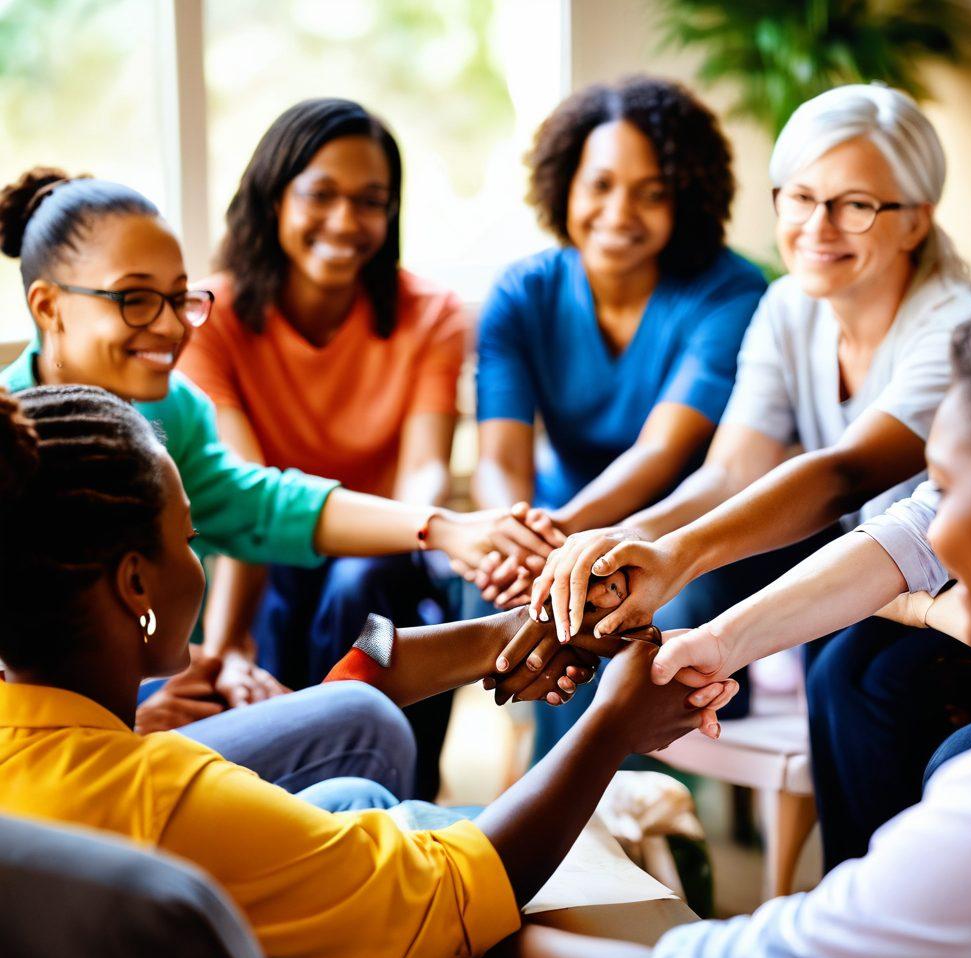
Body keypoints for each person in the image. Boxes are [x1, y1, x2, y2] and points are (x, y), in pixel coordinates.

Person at [0, 381, 727, 958]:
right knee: (413, 855)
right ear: (136, 585)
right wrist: (609, 727)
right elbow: (442, 902)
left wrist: (505, 630)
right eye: (191, 539)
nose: (201, 558)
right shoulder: (163, 795)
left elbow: (342, 698)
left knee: (355, 797)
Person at [484, 298, 971, 958]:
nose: (936, 521)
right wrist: (719, 636)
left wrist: (466, 915)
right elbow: (909, 534)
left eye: (948, 490)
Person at [0, 167, 558, 794]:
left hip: (199, 661)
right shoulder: (14, 446)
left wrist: (444, 529)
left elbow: (256, 503)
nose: (171, 327)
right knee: (360, 723)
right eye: (135, 298)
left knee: (363, 662)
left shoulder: (174, 408)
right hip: (58, 748)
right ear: (47, 306)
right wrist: (126, 724)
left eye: (180, 299)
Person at [530, 83, 971, 728]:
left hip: (957, 582)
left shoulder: (960, 329)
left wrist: (672, 550)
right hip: (868, 559)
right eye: (801, 198)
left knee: (854, 671)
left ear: (916, 221)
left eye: (855, 205)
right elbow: (731, 472)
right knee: (679, 593)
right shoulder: (787, 306)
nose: (817, 227)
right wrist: (635, 537)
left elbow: (846, 473)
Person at [177, 99, 470, 797]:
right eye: (321, 195)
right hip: (262, 555)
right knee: (284, 583)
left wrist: (411, 529)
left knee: (363, 588)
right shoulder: (209, 317)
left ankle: (387, 789)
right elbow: (245, 489)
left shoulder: (432, 315)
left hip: (381, 559)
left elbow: (426, 468)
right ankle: (291, 786)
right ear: (273, 197)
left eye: (370, 201)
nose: (345, 222)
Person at [471, 74, 766, 753]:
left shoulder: (729, 292)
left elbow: (663, 452)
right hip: (557, 521)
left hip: (684, 534)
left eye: (651, 192)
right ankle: (573, 795)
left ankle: (601, 798)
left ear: (686, 198)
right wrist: (515, 535)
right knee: (497, 589)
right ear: (564, 186)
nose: (619, 211)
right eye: (599, 185)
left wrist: (564, 544)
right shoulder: (522, 293)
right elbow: (499, 459)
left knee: (597, 605)